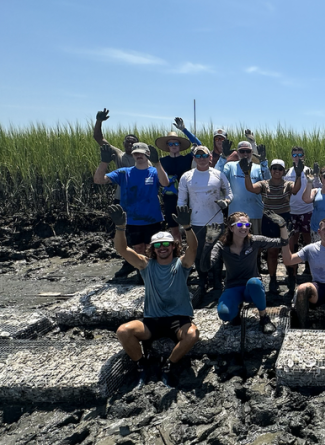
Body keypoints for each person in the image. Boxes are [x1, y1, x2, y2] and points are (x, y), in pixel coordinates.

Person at [109, 205, 199, 388]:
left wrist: (187, 227)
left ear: (173, 246)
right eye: (158, 245)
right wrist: (120, 228)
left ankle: (168, 365)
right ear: (153, 248)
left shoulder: (181, 264)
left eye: (166, 244)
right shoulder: (146, 265)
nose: (162, 248)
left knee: (193, 334)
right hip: (152, 321)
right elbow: (122, 249)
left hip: (178, 321)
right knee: (123, 331)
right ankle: (142, 364)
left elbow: (193, 249)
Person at [93, 141, 170, 280]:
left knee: (152, 249)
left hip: (152, 218)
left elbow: (165, 183)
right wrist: (104, 162)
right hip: (132, 219)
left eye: (141, 153)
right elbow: (98, 180)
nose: (138, 155)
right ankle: (142, 275)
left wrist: (157, 163)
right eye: (136, 153)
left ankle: (154, 275)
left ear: (148, 154)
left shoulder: (154, 171)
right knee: (138, 249)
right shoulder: (124, 173)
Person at [205, 211, 288, 334]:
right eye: (239, 225)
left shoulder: (254, 241)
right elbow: (205, 266)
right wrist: (208, 243)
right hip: (232, 286)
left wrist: (282, 225)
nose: (244, 228)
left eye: (247, 225)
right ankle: (236, 309)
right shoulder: (221, 245)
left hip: (251, 287)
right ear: (231, 227)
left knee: (254, 282)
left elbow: (282, 242)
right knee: (225, 314)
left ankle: (264, 317)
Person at [93, 108, 146, 279]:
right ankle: (128, 263)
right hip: (122, 199)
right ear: (123, 144)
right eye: (127, 141)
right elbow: (99, 139)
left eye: (133, 142)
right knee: (124, 232)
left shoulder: (144, 158)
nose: (130, 143)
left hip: (140, 201)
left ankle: (138, 264)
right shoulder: (119, 155)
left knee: (140, 234)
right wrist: (99, 121)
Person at [177, 145, 232, 295]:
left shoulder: (219, 174)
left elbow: (229, 193)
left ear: (210, 158)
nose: (201, 159)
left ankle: (217, 281)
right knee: (198, 252)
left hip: (216, 222)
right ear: (194, 158)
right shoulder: (186, 176)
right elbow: (181, 200)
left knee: (216, 253)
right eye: (198, 156)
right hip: (195, 223)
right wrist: (183, 217)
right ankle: (202, 280)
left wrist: (226, 201)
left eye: (204, 156)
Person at [243, 157, 303, 294]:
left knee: (289, 250)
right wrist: (246, 174)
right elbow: (250, 188)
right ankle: (273, 279)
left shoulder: (288, 184)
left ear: (284, 171)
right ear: (270, 170)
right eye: (274, 168)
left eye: (280, 169)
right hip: (269, 220)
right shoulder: (264, 184)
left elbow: (296, 190)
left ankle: (292, 277)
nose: (277, 171)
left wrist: (299, 175)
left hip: (286, 219)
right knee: (272, 252)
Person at [221, 131, 270, 232]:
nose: (245, 154)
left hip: (255, 214)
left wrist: (264, 162)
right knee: (236, 245)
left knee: (256, 244)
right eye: (242, 151)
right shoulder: (230, 166)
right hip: (235, 215)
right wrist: (223, 157)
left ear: (252, 152)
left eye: (248, 151)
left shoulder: (258, 167)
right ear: (237, 153)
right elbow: (218, 176)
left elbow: (268, 181)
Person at [283, 146, 315, 286]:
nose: (297, 156)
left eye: (300, 154)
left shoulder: (309, 171)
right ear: (291, 156)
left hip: (308, 210)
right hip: (292, 211)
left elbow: (317, 186)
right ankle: (293, 267)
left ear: (304, 156)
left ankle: (309, 264)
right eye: (294, 154)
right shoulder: (287, 172)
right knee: (293, 239)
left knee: (308, 238)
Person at [154, 130, 194, 242]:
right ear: (167, 146)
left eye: (176, 143)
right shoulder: (161, 161)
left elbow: (200, 146)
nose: (174, 146)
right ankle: (178, 253)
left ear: (180, 145)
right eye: (170, 144)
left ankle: (192, 253)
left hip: (187, 197)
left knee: (190, 228)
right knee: (174, 230)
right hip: (169, 198)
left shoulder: (188, 158)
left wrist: (185, 130)